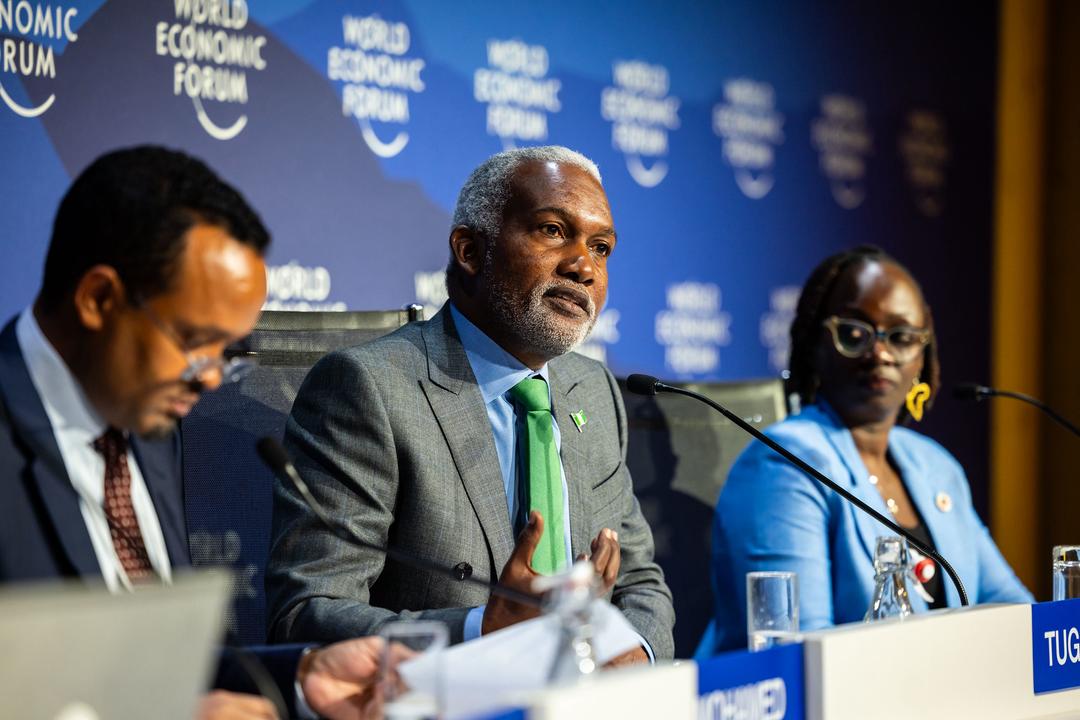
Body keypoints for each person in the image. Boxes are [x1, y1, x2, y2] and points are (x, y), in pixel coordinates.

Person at [0, 146, 388, 719]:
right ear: (98, 299)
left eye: (226, 351)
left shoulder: (151, 428)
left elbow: (165, 665)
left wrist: (302, 677)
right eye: (193, 341)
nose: (209, 378)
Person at [266, 146, 675, 662]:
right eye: (553, 230)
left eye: (601, 248)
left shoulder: (592, 390)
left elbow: (640, 582)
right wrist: (481, 629)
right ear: (470, 251)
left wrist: (634, 653)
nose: (583, 267)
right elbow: (306, 613)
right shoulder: (370, 389)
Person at [707, 245, 1032, 653]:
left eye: (902, 337)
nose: (880, 353)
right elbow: (798, 652)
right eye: (855, 333)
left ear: (922, 356)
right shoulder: (785, 463)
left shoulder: (935, 466)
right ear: (816, 343)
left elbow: (1016, 613)